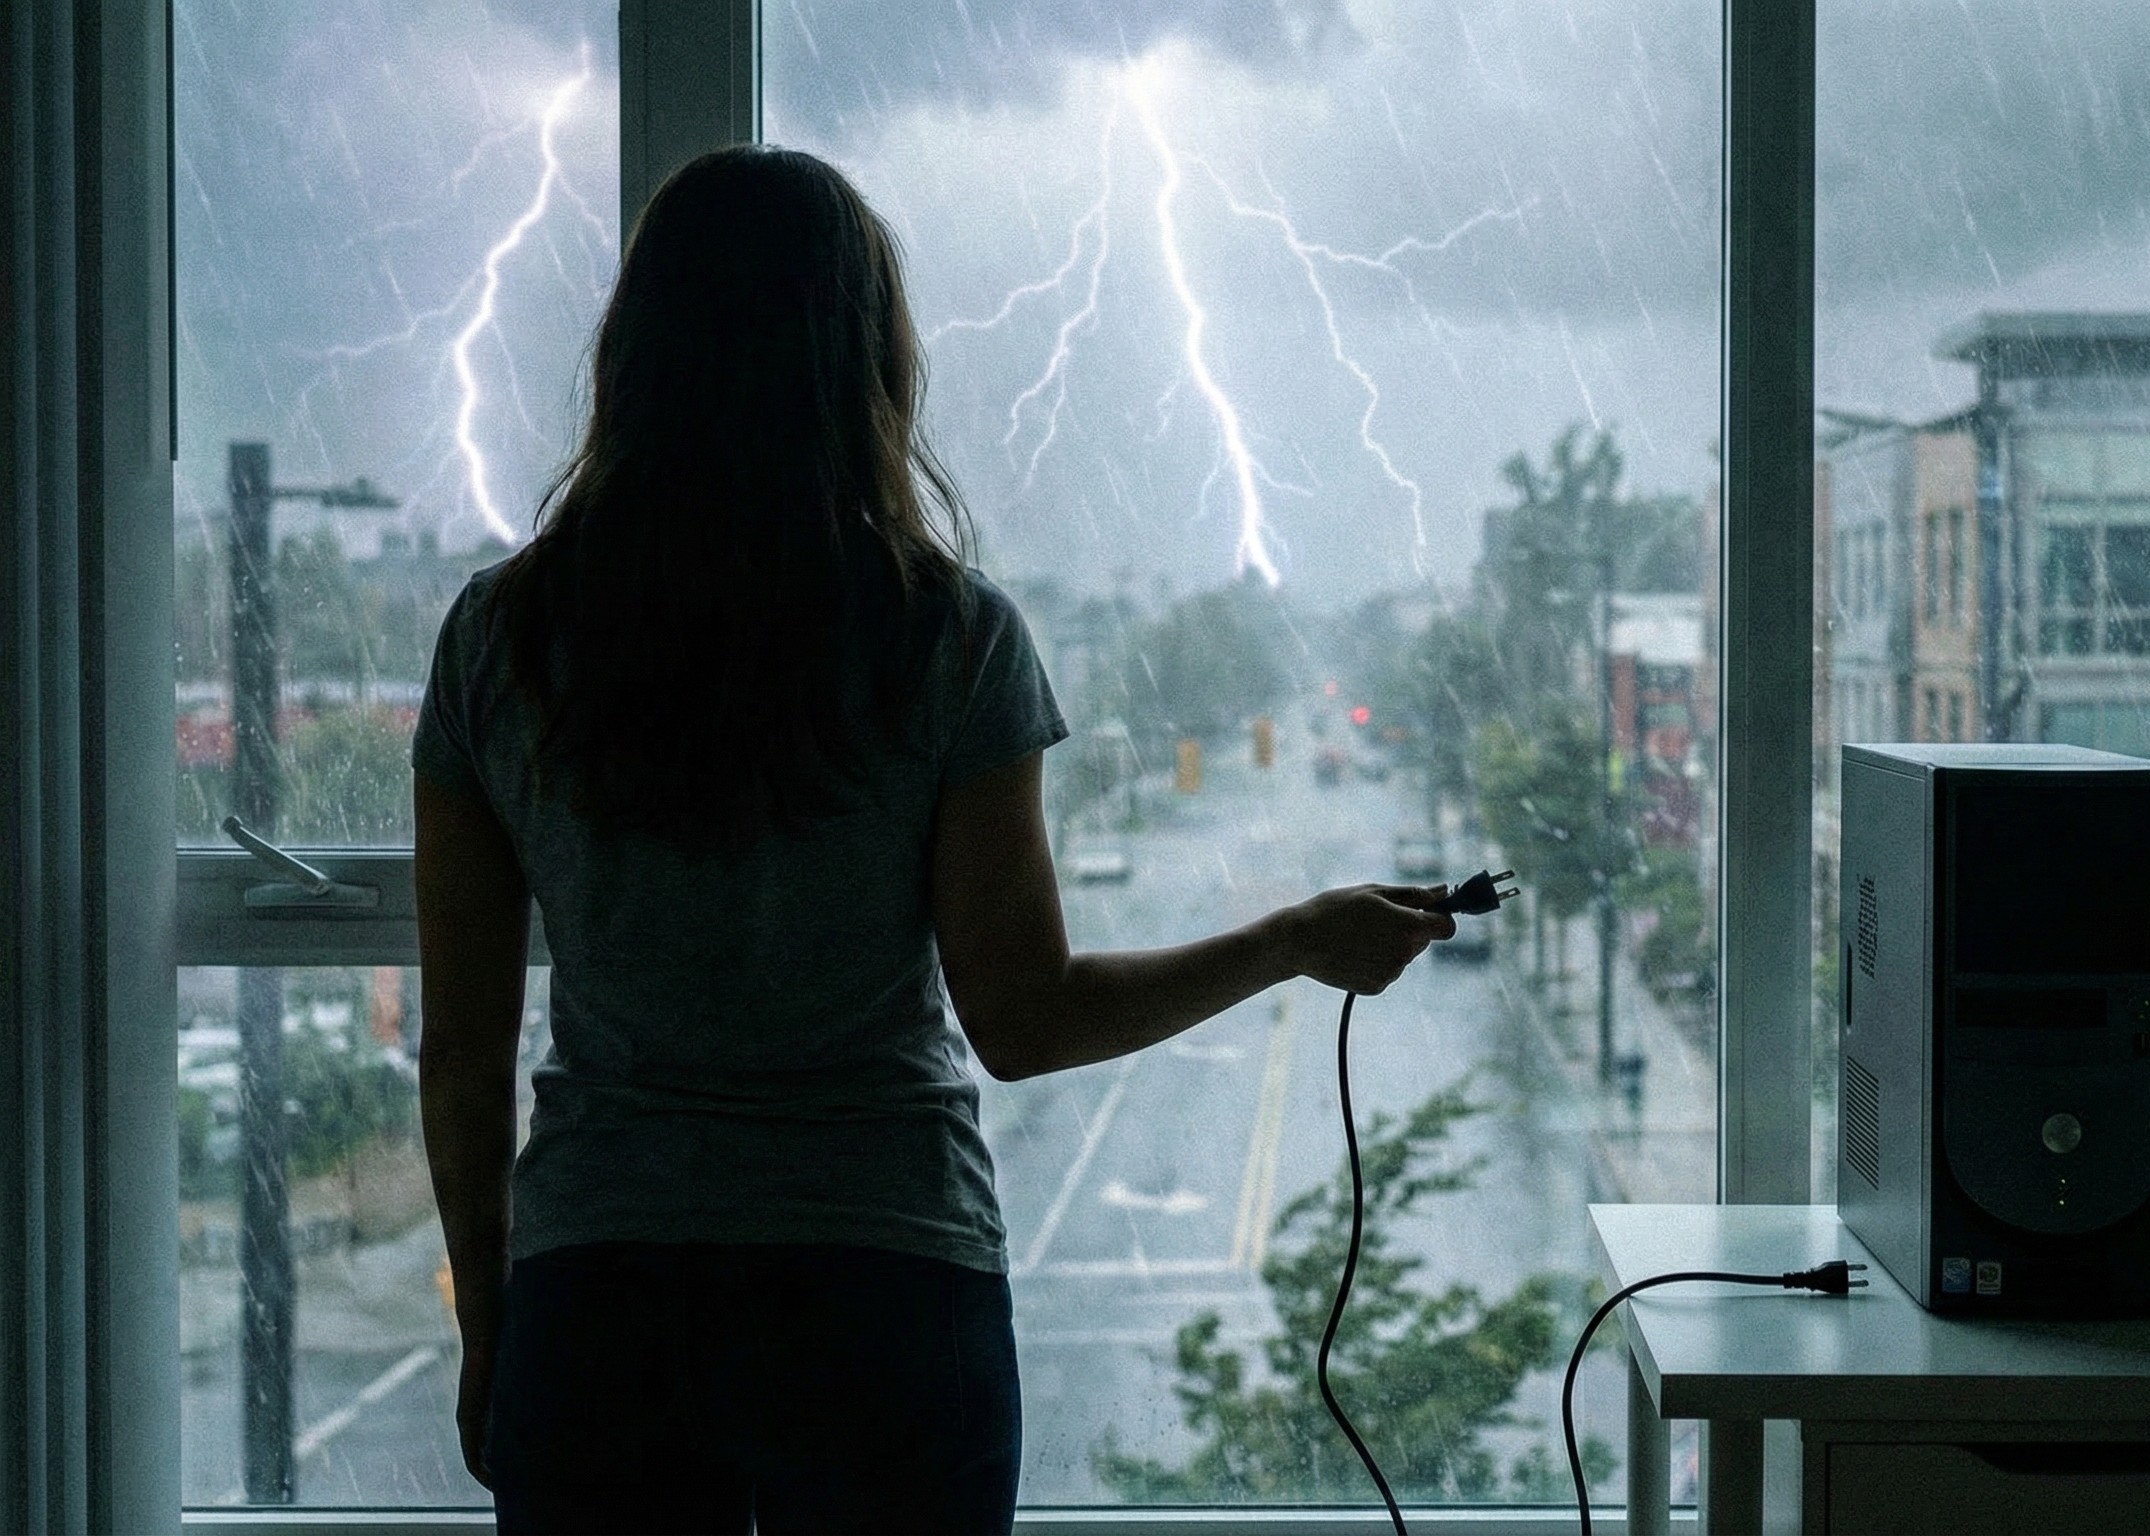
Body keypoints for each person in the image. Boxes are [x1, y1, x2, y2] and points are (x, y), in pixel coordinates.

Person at [412, 145, 1452, 1535]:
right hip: (886, 1297)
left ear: (636, 352)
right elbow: (1023, 1019)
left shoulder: (497, 640)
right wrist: (1292, 939)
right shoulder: (948, 638)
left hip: (603, 1299)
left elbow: (462, 1050)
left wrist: (495, 1323)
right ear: (867, 362)